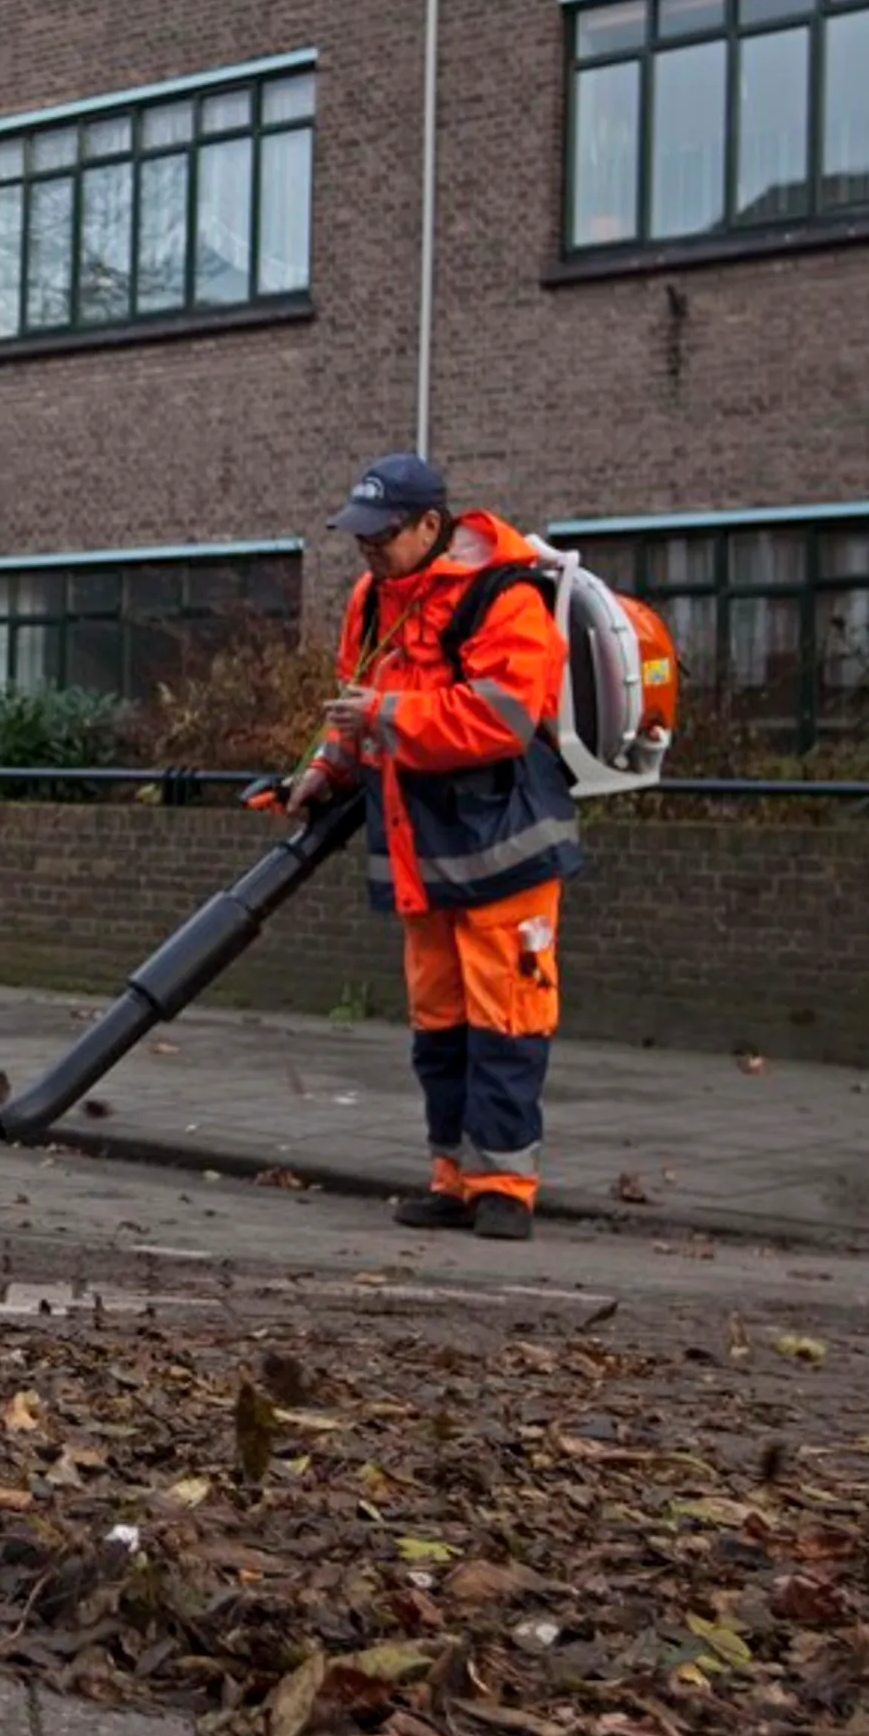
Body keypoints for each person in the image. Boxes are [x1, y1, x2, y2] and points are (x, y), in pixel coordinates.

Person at [267, 452, 583, 1243]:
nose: (367, 549)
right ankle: (453, 1178)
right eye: (360, 535)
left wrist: (385, 717)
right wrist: (324, 768)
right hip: (423, 853)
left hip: (505, 850)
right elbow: (354, 705)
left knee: (507, 1023)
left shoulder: (504, 594)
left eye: (381, 535)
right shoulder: (372, 599)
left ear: (431, 525)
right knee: (440, 1028)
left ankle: (504, 1186)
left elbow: (503, 718)